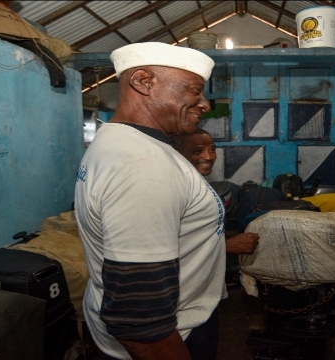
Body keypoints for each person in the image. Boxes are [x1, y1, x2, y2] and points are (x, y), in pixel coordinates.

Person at [75, 42, 225, 360]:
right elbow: (138, 320)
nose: (205, 105)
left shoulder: (114, 141)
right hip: (169, 339)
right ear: (144, 82)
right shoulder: (144, 164)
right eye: (195, 91)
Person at [170, 129, 260, 255]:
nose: (208, 157)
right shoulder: (174, 190)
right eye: (198, 151)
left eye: (212, 150)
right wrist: (228, 246)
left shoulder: (199, 184)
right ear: (178, 154)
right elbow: (161, 247)